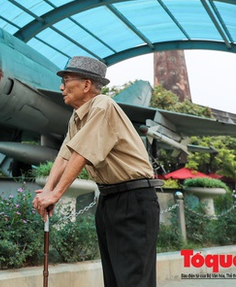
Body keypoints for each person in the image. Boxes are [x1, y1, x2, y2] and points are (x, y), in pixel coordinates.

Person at [33, 56, 162, 287]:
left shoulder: (103, 104)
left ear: (86, 85)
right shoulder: (77, 116)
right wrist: (48, 190)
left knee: (133, 281)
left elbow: (82, 154)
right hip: (109, 199)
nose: (61, 87)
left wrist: (57, 194)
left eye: (67, 80)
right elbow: (65, 155)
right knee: (114, 280)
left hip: (134, 200)